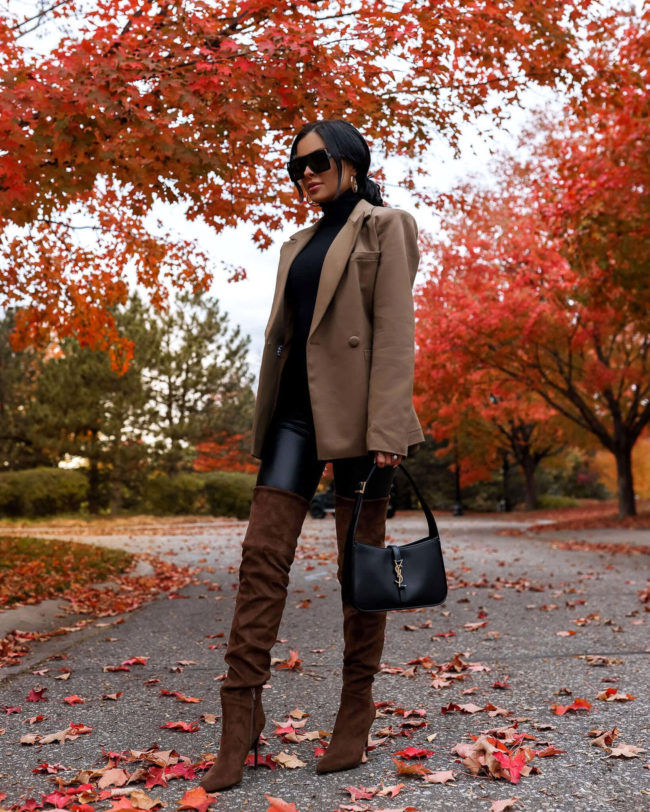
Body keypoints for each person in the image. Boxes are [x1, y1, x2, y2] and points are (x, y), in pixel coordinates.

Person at [198, 119, 425, 792]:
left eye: (318, 160)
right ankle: (240, 715)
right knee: (261, 557)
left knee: (362, 572)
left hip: (360, 419)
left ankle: (356, 709)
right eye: (295, 166)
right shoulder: (296, 243)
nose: (306, 173)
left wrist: (389, 428)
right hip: (294, 416)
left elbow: (395, 331)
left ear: (352, 162)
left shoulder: (387, 226)